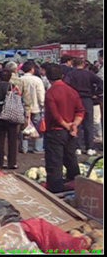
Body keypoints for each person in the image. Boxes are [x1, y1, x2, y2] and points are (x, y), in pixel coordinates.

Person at [44, 64, 85, 193]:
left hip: (56, 130)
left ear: (47, 76)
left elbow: (54, 114)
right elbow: (80, 110)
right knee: (71, 158)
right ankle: (76, 184)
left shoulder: (51, 92)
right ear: (62, 75)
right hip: (70, 131)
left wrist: (66, 125)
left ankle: (56, 189)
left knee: (54, 161)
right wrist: (74, 125)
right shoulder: (72, 91)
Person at [64, 57, 103, 156]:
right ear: (84, 64)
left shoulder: (70, 74)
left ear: (73, 64)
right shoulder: (89, 74)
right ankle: (90, 147)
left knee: (76, 123)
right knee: (88, 124)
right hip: (87, 99)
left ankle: (77, 147)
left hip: (75, 100)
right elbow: (100, 82)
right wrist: (97, 93)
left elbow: (65, 85)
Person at [0, 69, 22, 170]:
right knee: (13, 140)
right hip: (12, 114)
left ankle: (0, 162)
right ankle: (12, 162)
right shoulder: (13, 87)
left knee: (0, 140)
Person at [19, 61, 46, 154]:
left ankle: (24, 147)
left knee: (24, 127)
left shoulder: (20, 79)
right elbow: (40, 94)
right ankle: (37, 148)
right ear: (32, 69)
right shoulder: (37, 80)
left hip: (24, 107)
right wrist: (43, 105)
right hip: (36, 107)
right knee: (38, 128)